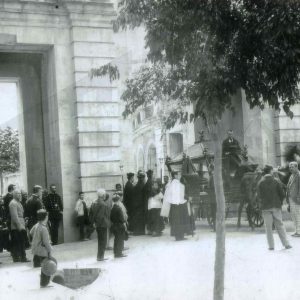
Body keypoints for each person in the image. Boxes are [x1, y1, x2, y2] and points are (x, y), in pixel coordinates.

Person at [257, 165, 292, 250]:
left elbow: (259, 196)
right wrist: (279, 202)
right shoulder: (276, 181)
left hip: (265, 208)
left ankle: (271, 246)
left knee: (268, 227)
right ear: (270, 171)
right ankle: (286, 244)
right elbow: (282, 194)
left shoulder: (260, 182)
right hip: (276, 206)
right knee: (280, 225)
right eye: (272, 170)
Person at [163, 171, 191, 241]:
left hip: (174, 205)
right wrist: (187, 198)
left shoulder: (171, 184)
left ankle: (178, 236)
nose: (180, 175)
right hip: (179, 205)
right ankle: (180, 236)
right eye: (179, 174)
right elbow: (181, 195)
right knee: (180, 220)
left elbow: (168, 196)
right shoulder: (178, 184)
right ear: (175, 176)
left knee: (176, 221)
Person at [30, 209, 53, 287]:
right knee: (47, 266)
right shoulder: (44, 228)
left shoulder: (36, 225)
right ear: (46, 217)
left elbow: (31, 232)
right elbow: (46, 242)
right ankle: (44, 283)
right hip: (43, 250)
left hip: (36, 249)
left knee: (43, 266)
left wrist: (37, 239)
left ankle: (43, 283)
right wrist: (50, 251)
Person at [89, 188, 111, 261]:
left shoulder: (94, 202)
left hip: (98, 224)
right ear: (103, 195)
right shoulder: (103, 204)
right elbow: (101, 216)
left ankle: (100, 256)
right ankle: (101, 257)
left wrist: (94, 223)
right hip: (102, 224)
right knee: (103, 241)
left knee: (100, 241)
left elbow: (91, 214)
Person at [9, 189, 30, 262]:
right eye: (17, 194)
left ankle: (18, 257)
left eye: (20, 194)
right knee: (20, 242)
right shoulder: (13, 203)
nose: (19, 195)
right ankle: (22, 257)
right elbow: (14, 216)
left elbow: (20, 214)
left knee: (19, 242)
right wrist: (20, 226)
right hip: (17, 226)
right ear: (14, 195)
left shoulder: (18, 202)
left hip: (21, 224)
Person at [110, 193, 127, 258]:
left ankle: (115, 252)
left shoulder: (113, 208)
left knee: (116, 240)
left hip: (114, 225)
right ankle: (119, 253)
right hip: (119, 226)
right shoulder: (118, 208)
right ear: (118, 200)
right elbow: (122, 219)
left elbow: (111, 218)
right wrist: (124, 224)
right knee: (120, 240)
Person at [286, 161, 300, 237]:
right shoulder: (292, 175)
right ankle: (296, 231)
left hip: (297, 199)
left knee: (297, 215)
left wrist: (299, 198)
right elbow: (289, 186)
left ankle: (299, 231)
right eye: (290, 167)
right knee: (293, 215)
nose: (290, 168)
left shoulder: (299, 175)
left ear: (296, 167)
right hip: (291, 198)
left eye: (292, 167)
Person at [131, 171, 147, 235]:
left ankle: (138, 231)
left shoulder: (137, 185)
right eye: (143, 178)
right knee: (139, 218)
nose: (143, 179)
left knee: (138, 217)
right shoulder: (142, 185)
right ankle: (139, 231)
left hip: (137, 204)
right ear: (141, 178)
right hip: (140, 204)